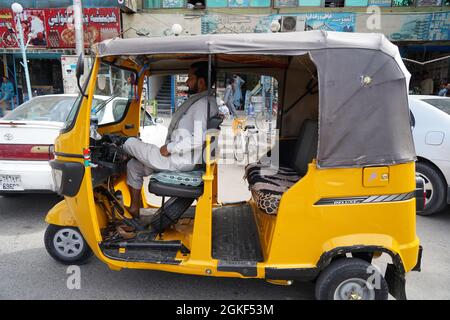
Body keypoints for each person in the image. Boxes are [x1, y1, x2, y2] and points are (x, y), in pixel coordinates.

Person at [122, 61, 218, 219]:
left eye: (190, 78)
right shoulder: (203, 101)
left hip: (179, 160)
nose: (187, 82)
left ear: (201, 82)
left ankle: (121, 147)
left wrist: (170, 148)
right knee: (134, 166)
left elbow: (198, 138)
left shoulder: (202, 104)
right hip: (182, 158)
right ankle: (135, 208)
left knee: (130, 143)